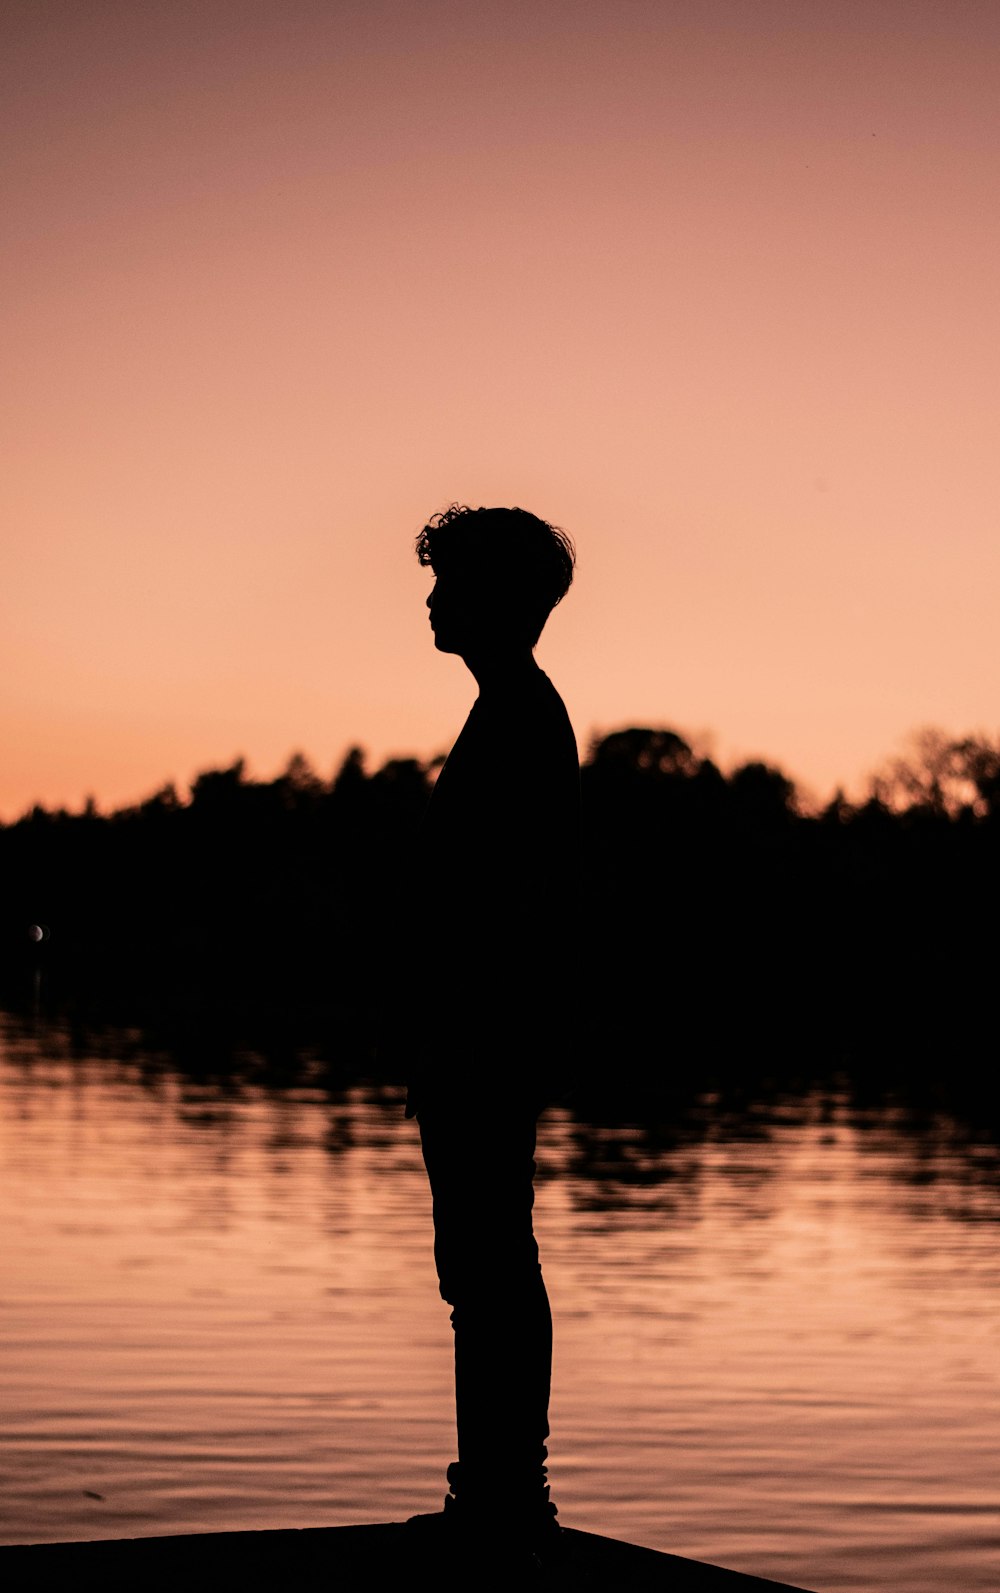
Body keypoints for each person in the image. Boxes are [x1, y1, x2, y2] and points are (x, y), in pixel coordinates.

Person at [404, 503, 580, 1568]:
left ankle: (508, 1498)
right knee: (482, 1262)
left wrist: (465, 1029)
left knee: (489, 1264)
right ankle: (501, 1492)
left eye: (448, 582)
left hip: (486, 1036)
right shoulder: (512, 709)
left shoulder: (518, 715)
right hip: (477, 1033)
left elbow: (511, 903)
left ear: (497, 599)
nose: (430, 600)